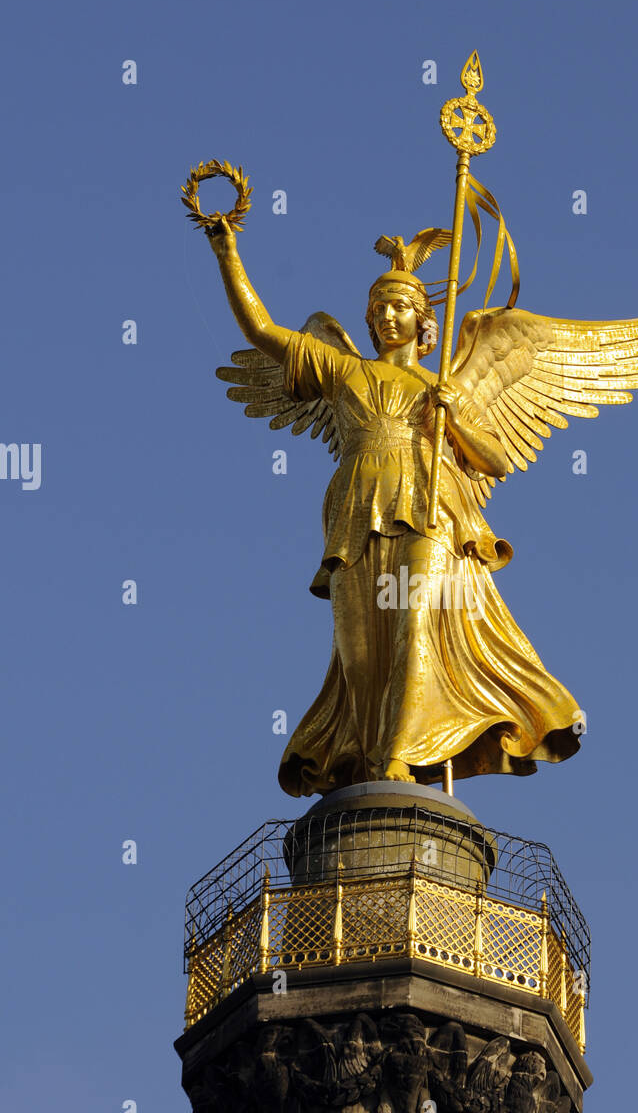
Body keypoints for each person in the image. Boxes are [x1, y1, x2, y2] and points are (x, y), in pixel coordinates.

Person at [207, 217, 584, 795]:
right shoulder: (343, 370)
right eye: (378, 308)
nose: (386, 317)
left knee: (415, 628)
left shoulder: (446, 385)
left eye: (399, 307)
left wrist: (453, 413)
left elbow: (495, 461)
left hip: (430, 507)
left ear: (422, 321)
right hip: (356, 507)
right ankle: (365, 755)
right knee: (358, 652)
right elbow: (261, 330)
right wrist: (226, 248)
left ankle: (398, 760)